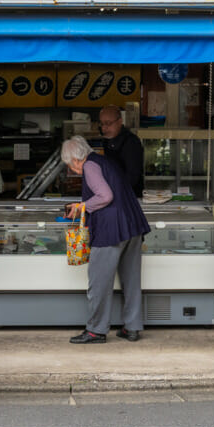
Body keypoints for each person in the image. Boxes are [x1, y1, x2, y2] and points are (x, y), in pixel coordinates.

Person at [61, 135, 151, 344]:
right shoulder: (104, 161)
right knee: (131, 280)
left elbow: (105, 196)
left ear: (75, 159)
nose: (71, 169)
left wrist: (82, 207)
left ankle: (96, 330)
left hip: (111, 229)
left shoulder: (90, 167)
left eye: (69, 165)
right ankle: (132, 327)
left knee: (99, 282)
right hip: (133, 225)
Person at [98, 104, 144, 198]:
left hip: (128, 196)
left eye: (108, 123)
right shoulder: (107, 140)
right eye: (102, 124)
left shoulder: (131, 142)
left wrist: (115, 193)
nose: (104, 128)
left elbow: (132, 176)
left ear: (120, 121)